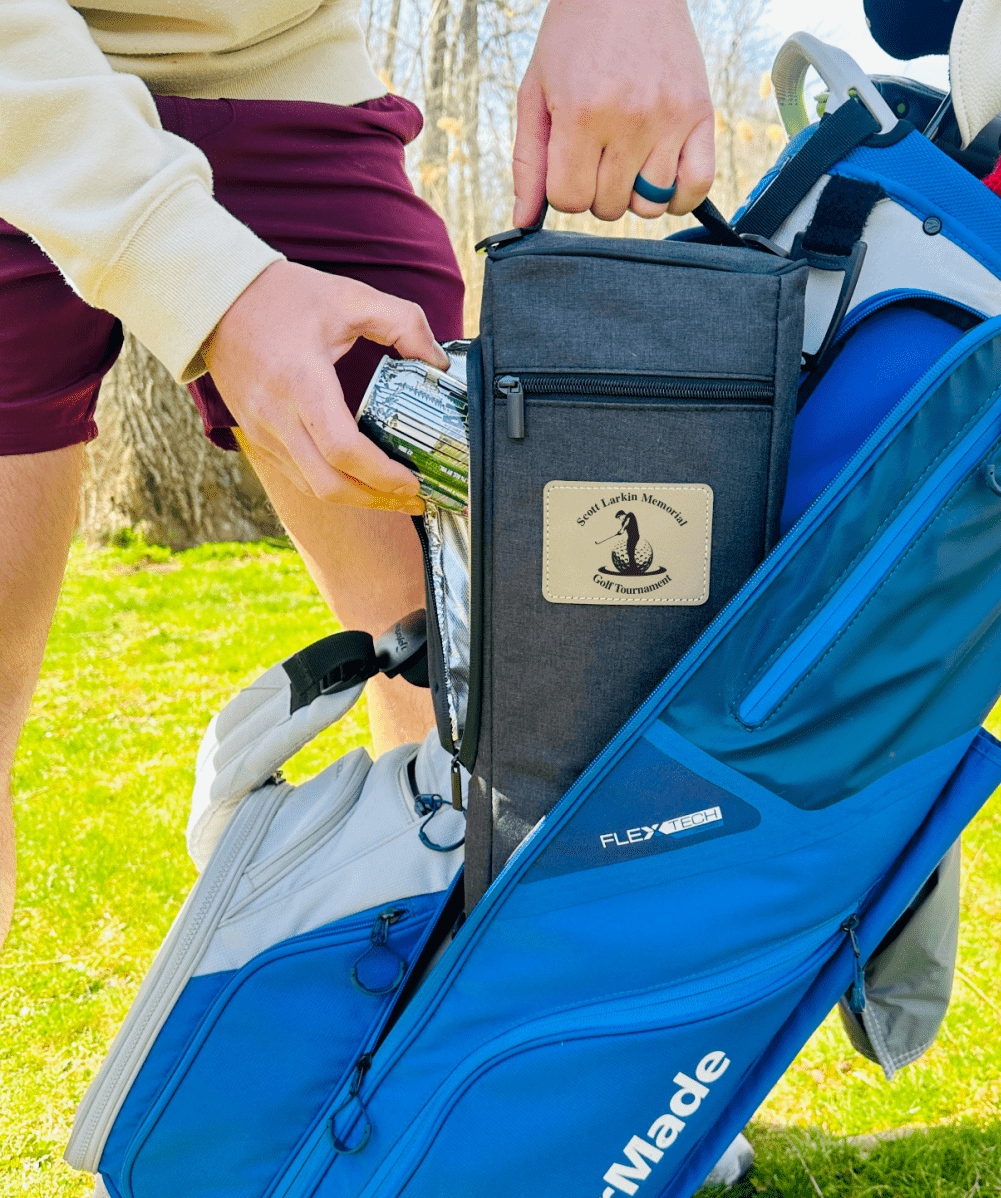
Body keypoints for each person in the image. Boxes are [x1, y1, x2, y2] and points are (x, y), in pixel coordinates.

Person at [0, 0, 717, 952]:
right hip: (21, 71)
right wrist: (209, 286)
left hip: (286, 74)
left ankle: (460, 1070)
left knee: (471, 662)